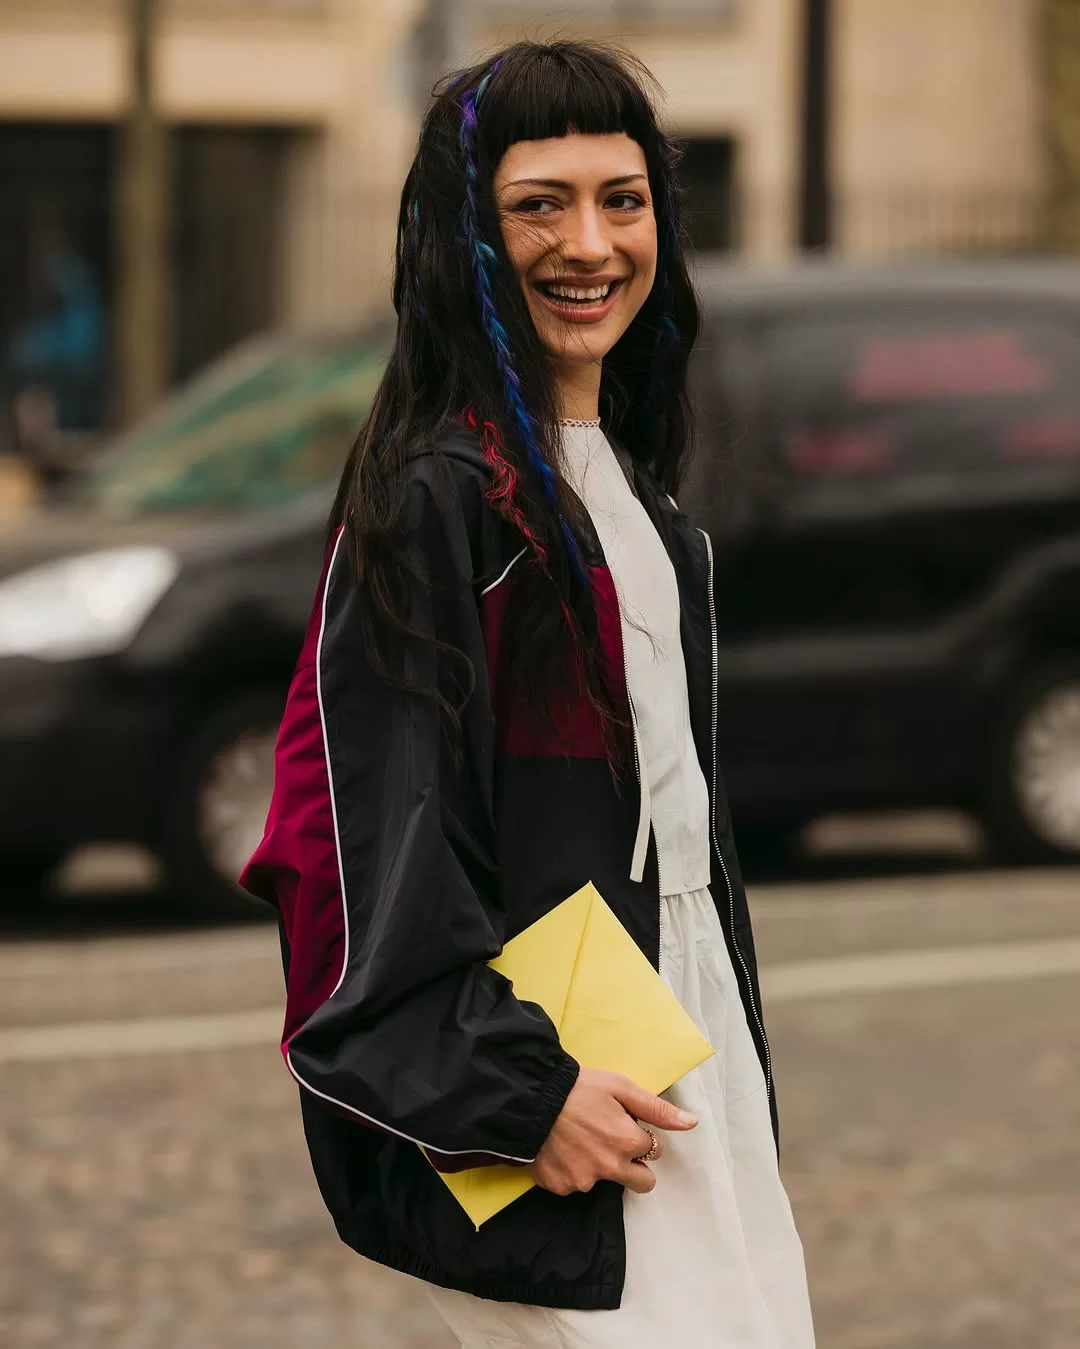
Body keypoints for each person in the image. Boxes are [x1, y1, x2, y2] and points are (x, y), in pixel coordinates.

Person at [240, 40, 815, 1348]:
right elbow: (357, 840)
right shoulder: (440, 500)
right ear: (467, 241)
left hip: (679, 1047)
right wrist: (515, 1095)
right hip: (552, 1087)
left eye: (623, 199)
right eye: (538, 204)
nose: (590, 242)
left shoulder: (636, 501)